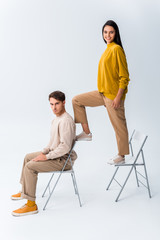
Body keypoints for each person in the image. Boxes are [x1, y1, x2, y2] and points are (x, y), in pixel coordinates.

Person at [72, 20, 130, 165]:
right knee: (77, 100)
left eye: (111, 32)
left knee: (119, 127)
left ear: (115, 33)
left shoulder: (116, 49)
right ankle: (86, 132)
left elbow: (124, 77)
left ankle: (121, 156)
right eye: (105, 32)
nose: (108, 35)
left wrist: (117, 98)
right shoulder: (107, 49)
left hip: (113, 96)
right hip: (102, 94)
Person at [11, 91, 77, 216]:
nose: (54, 108)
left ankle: (31, 205)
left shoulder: (66, 121)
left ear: (64, 103)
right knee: (28, 157)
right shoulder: (56, 119)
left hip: (63, 161)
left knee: (30, 166)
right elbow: (53, 143)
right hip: (55, 155)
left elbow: (64, 147)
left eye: (57, 104)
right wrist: (44, 151)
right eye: (51, 104)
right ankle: (25, 190)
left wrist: (46, 157)